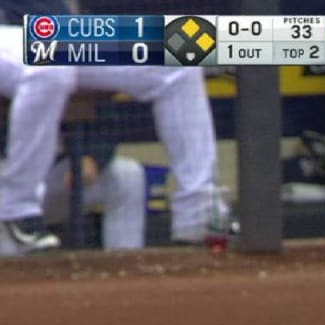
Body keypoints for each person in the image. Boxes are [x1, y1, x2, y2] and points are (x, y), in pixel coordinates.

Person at [0, 3, 232, 256]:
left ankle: (200, 214)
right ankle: (16, 212)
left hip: (42, 32)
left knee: (176, 54)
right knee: (47, 64)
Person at [41, 104, 147, 251]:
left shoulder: (81, 83)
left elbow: (107, 125)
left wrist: (93, 157)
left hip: (57, 178)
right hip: (11, 182)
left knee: (127, 175)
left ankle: (125, 261)